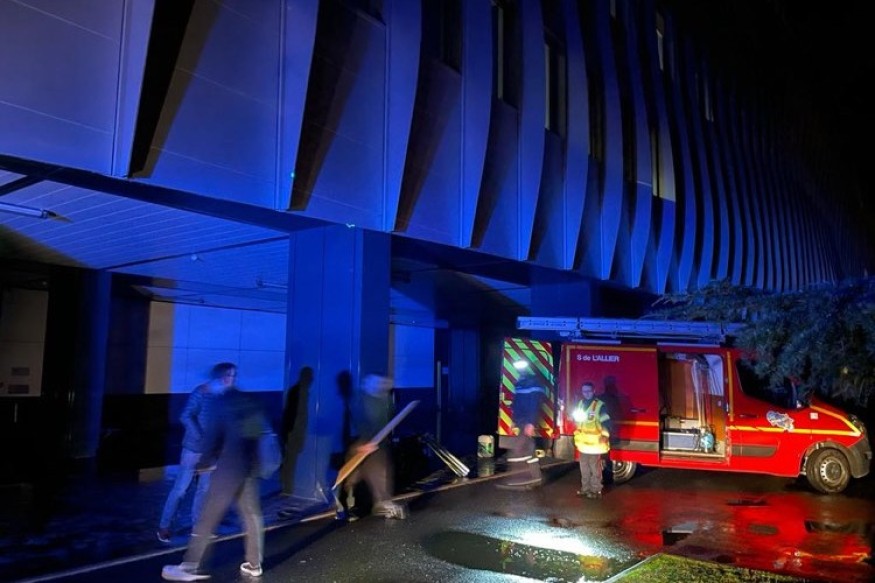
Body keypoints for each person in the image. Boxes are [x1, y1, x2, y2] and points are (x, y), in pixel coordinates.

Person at [161, 363, 269, 581]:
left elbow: (212, 438)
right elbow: (256, 436)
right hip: (247, 469)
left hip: (226, 470)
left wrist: (204, 462)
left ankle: (189, 567)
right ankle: (254, 564)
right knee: (252, 516)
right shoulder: (248, 400)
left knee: (206, 517)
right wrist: (254, 466)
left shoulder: (222, 402)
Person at [156, 364, 233, 543]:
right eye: (229, 375)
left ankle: (198, 527)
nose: (232, 378)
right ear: (221, 376)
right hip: (193, 450)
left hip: (211, 452)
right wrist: (200, 436)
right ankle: (164, 526)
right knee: (181, 489)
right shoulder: (201, 392)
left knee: (204, 490)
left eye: (233, 375)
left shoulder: (223, 396)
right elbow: (186, 416)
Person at [346, 373, 406, 519]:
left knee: (377, 470)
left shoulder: (386, 400)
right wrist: (364, 442)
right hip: (363, 442)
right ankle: (349, 502)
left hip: (378, 443)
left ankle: (381, 502)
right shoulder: (360, 400)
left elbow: (386, 421)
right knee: (358, 473)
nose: (383, 386)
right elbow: (359, 421)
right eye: (379, 383)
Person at [498, 367, 546, 489]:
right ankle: (536, 477)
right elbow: (517, 404)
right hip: (520, 421)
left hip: (527, 421)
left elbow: (535, 404)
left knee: (518, 449)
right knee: (528, 450)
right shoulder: (520, 383)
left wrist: (531, 423)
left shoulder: (533, 382)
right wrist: (513, 421)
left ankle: (518, 478)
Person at [572, 381, 611, 498]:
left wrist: (605, 435)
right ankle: (585, 489)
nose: (586, 393)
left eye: (589, 391)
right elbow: (578, 422)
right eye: (584, 391)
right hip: (583, 443)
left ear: (594, 391)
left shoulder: (600, 405)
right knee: (583, 467)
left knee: (595, 468)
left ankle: (596, 490)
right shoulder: (580, 404)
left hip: (595, 443)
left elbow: (606, 422)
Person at [279, 366, 313, 496]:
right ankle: (287, 488)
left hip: (294, 431)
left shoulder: (298, 391)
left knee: (289, 460)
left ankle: (287, 487)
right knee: (290, 460)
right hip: (294, 432)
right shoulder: (300, 391)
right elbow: (294, 415)